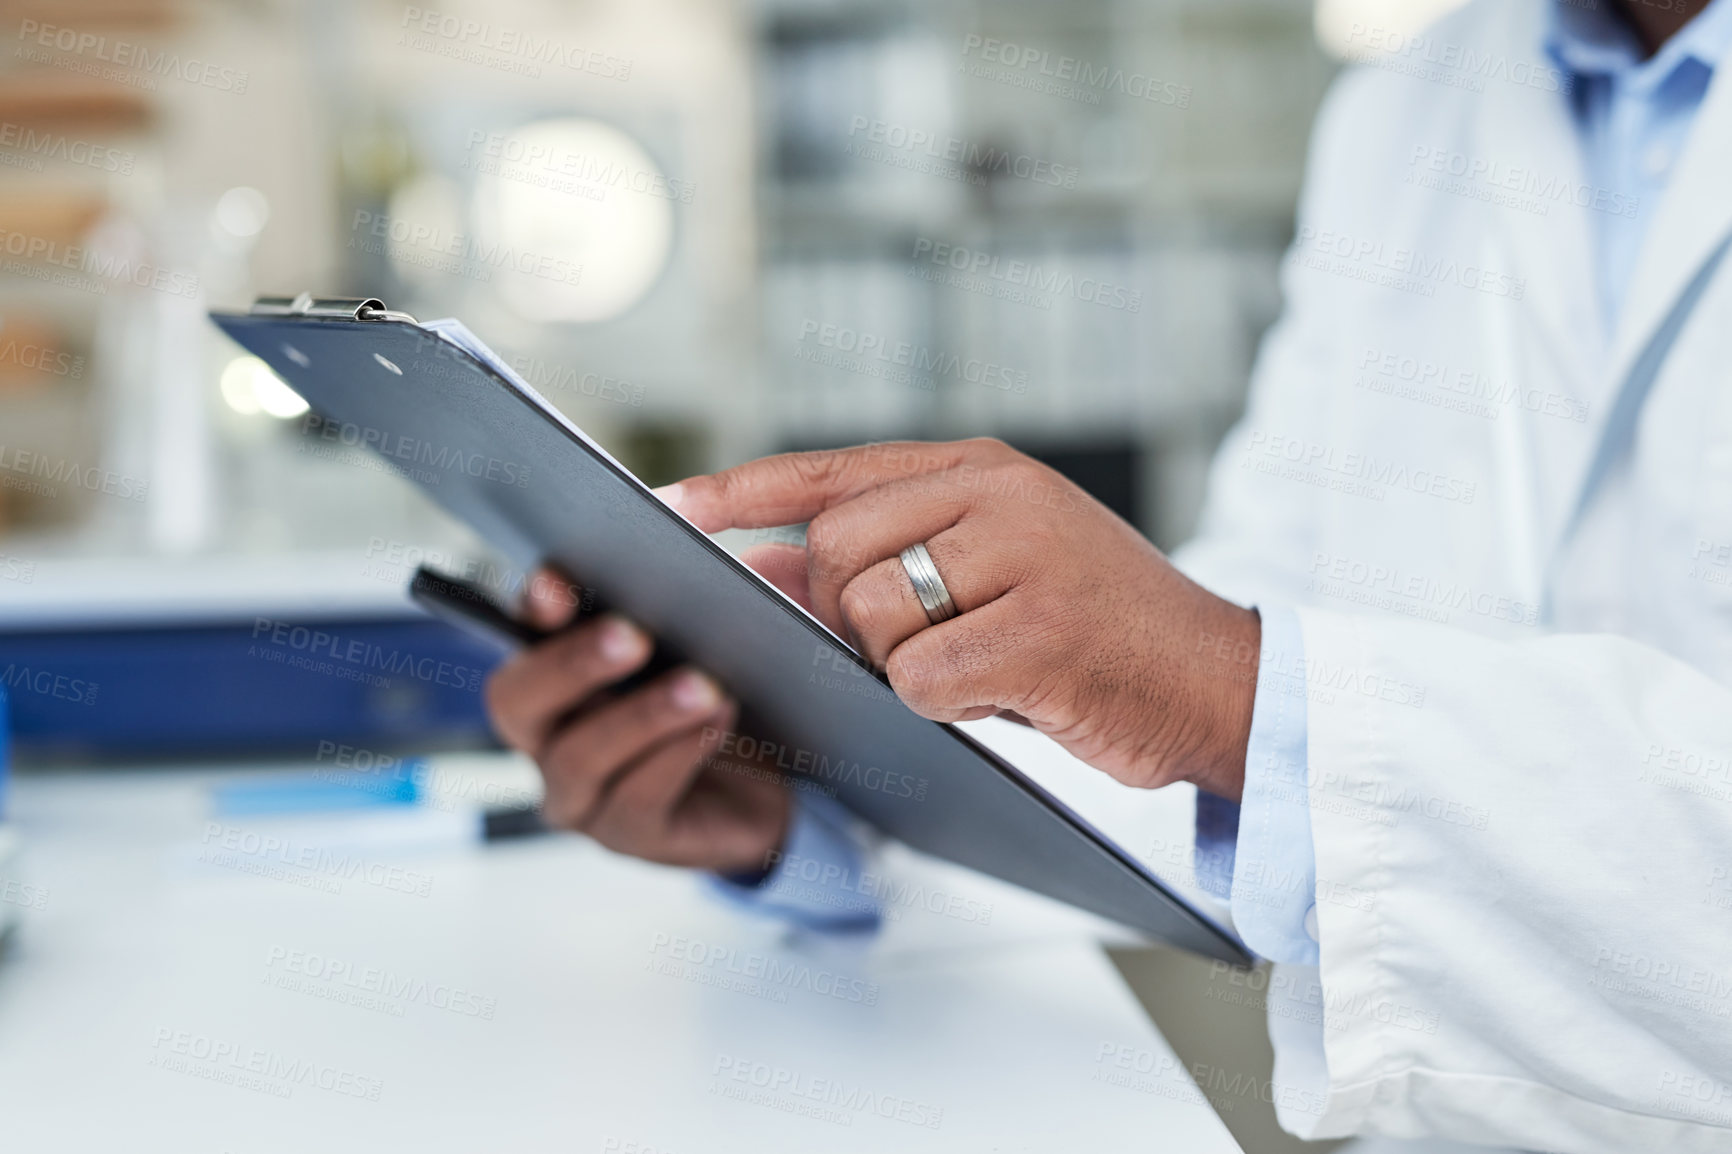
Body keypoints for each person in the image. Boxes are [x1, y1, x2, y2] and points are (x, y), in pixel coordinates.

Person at [484, 0, 1732, 1147]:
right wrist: (820, 784)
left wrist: (1222, 688)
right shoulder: (1414, 103)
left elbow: (1257, 701)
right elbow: (1258, 717)